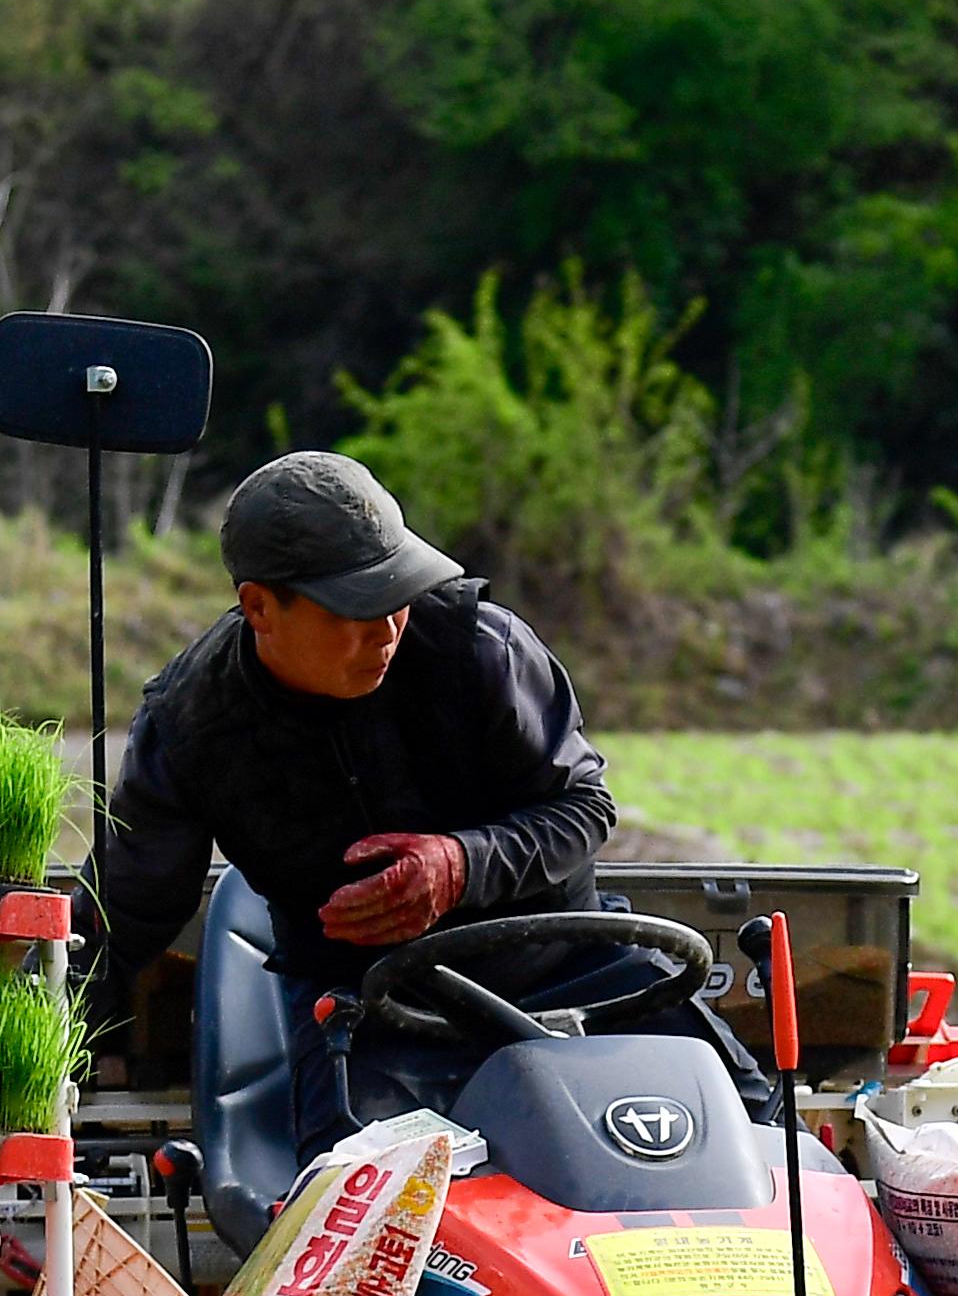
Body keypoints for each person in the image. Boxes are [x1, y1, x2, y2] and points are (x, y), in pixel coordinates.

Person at [85, 450, 619, 1137]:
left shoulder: (479, 647)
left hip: (570, 970)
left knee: (753, 1144)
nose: (387, 628)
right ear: (259, 607)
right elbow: (121, 918)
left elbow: (583, 808)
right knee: (356, 1216)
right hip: (368, 1022)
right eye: (356, 608)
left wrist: (459, 866)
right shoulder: (189, 727)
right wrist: (0, 1093)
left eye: (399, 593)